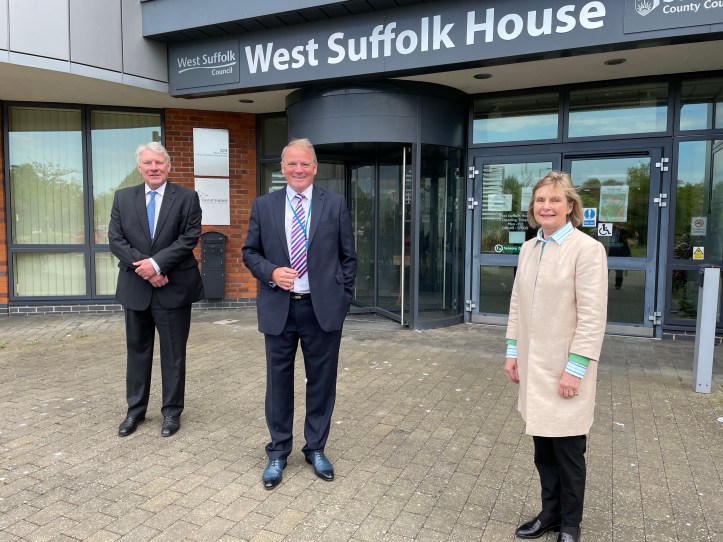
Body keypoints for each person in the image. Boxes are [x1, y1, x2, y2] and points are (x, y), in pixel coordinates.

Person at [242, 138, 357, 489]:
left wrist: (342, 298)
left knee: (321, 381)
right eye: (292, 163)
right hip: (279, 307)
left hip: (322, 309)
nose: (298, 169)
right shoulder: (264, 205)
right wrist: (271, 272)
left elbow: (348, 257)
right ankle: (278, 451)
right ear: (282, 168)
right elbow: (250, 252)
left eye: (305, 163)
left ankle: (316, 448)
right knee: (278, 383)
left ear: (315, 168)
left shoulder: (334, 204)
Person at [504, 171, 607, 542]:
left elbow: (593, 317)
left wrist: (575, 370)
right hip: (534, 368)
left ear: (570, 206)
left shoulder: (586, 250)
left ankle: (570, 524)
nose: (545, 206)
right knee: (543, 451)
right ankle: (549, 514)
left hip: (565, 368)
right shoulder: (529, 248)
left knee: (568, 452)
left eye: (554, 200)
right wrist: (512, 352)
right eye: (540, 200)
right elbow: (517, 303)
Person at [109, 142, 204, 438]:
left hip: (174, 288)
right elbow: (116, 239)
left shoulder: (187, 197)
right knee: (137, 351)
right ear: (139, 167)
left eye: (159, 163)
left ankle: (172, 412)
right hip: (136, 287)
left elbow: (189, 237)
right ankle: (135, 411)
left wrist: (157, 264)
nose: (154, 168)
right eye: (148, 163)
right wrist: (147, 269)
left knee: (174, 354)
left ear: (168, 166)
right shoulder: (123, 197)